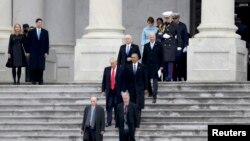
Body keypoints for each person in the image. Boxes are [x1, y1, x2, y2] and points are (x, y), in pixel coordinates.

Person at [158, 11, 182, 81]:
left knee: (170, 62)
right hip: (164, 46)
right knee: (164, 62)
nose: (167, 19)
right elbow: (158, 35)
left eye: (168, 18)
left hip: (172, 45)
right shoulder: (162, 25)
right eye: (166, 18)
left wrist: (179, 46)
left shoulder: (175, 25)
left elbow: (179, 37)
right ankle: (166, 76)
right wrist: (163, 35)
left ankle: (169, 76)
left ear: (171, 17)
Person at [101, 58, 125, 127]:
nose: (112, 65)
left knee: (117, 106)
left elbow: (123, 81)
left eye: (113, 63)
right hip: (109, 92)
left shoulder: (121, 70)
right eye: (111, 63)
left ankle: (117, 122)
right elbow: (104, 81)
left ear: (116, 63)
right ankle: (109, 122)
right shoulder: (107, 69)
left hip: (117, 92)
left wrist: (123, 91)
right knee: (109, 107)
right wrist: (103, 90)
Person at [125, 53, 147, 122]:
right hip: (131, 89)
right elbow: (126, 79)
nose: (133, 59)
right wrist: (126, 89)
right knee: (131, 104)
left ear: (137, 58)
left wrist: (146, 88)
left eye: (134, 57)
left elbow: (145, 78)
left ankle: (138, 119)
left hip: (139, 89)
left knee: (139, 104)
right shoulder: (128, 67)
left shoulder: (142, 66)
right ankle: (132, 118)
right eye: (132, 57)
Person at [27, 18, 49, 85]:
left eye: (41, 22)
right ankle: (33, 80)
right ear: (36, 23)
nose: (40, 23)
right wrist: (28, 51)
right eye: (39, 22)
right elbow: (28, 42)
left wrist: (46, 52)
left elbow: (47, 43)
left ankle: (40, 80)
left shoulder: (45, 32)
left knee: (41, 66)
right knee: (33, 66)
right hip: (33, 51)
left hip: (41, 52)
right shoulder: (31, 32)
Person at [142, 33, 163, 103]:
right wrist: (143, 66)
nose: (151, 38)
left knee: (155, 82)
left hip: (156, 67)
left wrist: (161, 66)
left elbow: (162, 56)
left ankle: (154, 96)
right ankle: (150, 93)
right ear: (149, 38)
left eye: (153, 37)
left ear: (155, 37)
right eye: (150, 37)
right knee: (147, 81)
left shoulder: (159, 45)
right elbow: (144, 57)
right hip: (147, 66)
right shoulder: (146, 45)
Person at [173, 13, 189, 81]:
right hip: (173, 46)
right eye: (174, 18)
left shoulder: (183, 25)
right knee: (173, 63)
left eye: (176, 18)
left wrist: (185, 46)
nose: (175, 19)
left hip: (181, 46)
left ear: (179, 18)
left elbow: (185, 36)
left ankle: (180, 77)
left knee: (180, 63)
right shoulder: (171, 25)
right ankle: (174, 77)